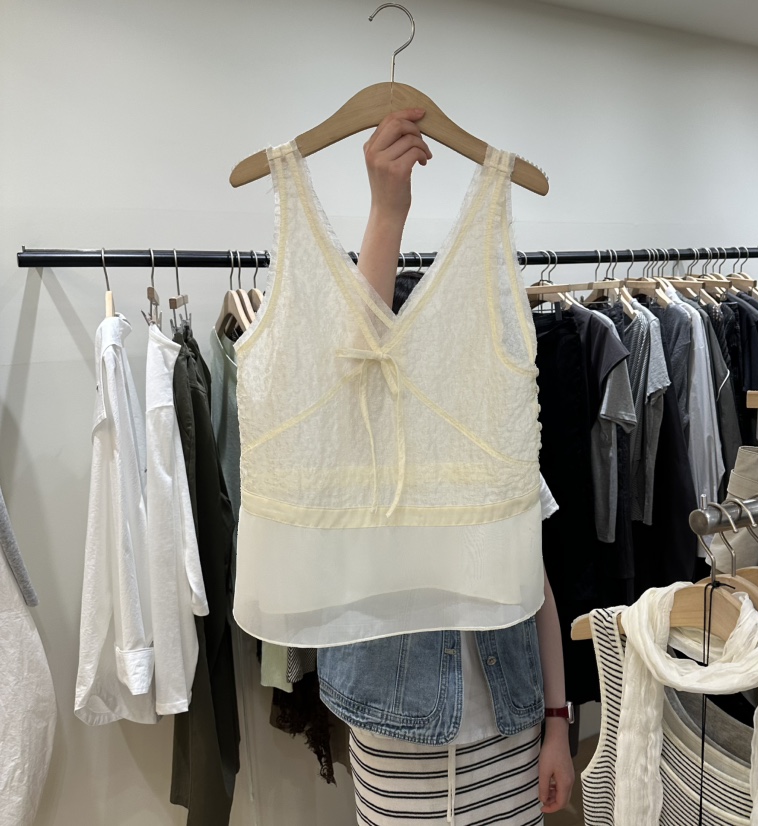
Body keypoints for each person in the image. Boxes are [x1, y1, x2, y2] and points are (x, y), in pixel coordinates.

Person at [317, 110, 575, 824]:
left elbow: (537, 587)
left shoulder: (492, 447)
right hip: (399, 739)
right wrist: (387, 213)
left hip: (512, 730)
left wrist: (559, 723)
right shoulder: (366, 458)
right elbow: (354, 369)